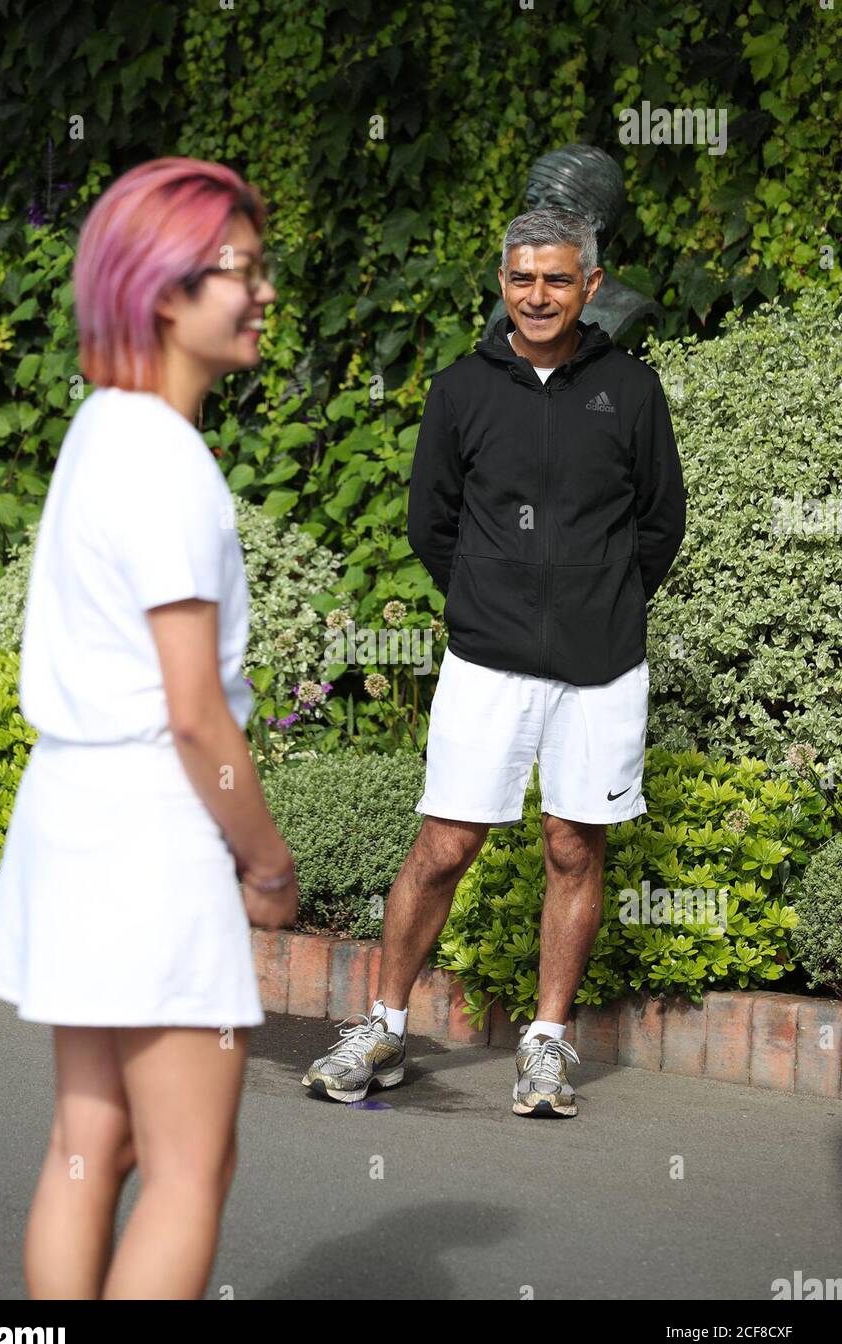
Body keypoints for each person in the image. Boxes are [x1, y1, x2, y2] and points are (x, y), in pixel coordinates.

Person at [0, 156, 298, 1298]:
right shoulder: (167, 459)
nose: (261, 294)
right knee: (189, 1166)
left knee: (87, 1144)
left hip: (69, 819)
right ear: (165, 290)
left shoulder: (102, 430)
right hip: (151, 838)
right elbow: (193, 706)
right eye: (239, 272)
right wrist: (265, 858)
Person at [302, 207, 686, 1118]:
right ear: (502, 283)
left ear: (591, 286)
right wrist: (486, 600)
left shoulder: (631, 390)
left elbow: (660, 525)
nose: (538, 295)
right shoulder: (460, 390)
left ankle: (546, 1045)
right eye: (523, 278)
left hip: (601, 664)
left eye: (557, 279)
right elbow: (431, 526)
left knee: (571, 844)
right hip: (487, 659)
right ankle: (386, 1027)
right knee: (444, 844)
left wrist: (602, 603)